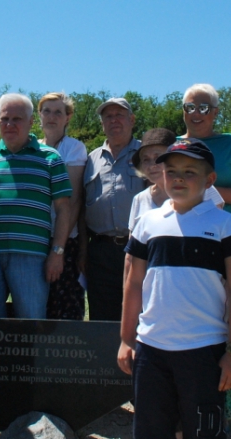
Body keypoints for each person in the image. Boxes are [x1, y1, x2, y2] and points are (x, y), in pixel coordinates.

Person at [118, 138, 231, 439]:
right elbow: (133, 283)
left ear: (210, 180)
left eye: (190, 172)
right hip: (151, 351)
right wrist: (126, 339)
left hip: (204, 354)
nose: (178, 178)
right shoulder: (148, 223)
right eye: (171, 171)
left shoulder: (225, 225)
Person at [0, 93, 73, 319]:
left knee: (31, 324)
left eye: (17, 119)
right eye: (4, 119)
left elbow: (63, 209)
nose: (9, 124)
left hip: (32, 256)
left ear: (30, 122)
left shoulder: (51, 158)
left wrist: (57, 252)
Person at [81, 97, 144, 321]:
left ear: (132, 120)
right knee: (102, 320)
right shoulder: (91, 159)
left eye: (119, 115)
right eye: (108, 116)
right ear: (102, 124)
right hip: (100, 252)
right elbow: (81, 209)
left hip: (139, 249)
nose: (114, 120)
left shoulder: (146, 154)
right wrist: (83, 253)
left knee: (140, 316)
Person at [38, 92, 88, 320]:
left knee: (63, 308)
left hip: (64, 240)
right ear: (39, 115)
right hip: (36, 237)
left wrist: (59, 246)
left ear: (67, 117)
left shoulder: (74, 148)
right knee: (35, 305)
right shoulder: (32, 147)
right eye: (47, 111)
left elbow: (73, 200)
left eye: (58, 112)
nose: (52, 117)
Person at [127, 128, 224, 233]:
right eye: (146, 159)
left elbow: (219, 228)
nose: (152, 165)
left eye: (157, 157)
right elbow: (134, 238)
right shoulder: (139, 199)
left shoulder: (203, 190)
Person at [180, 83, 231, 217]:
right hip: (180, 225)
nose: (196, 113)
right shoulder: (171, 145)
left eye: (204, 108)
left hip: (225, 226)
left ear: (215, 112)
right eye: (190, 107)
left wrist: (201, 190)